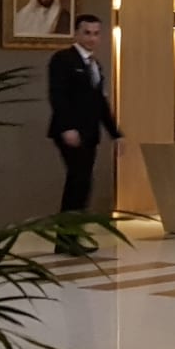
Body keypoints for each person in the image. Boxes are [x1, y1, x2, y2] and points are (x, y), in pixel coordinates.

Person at [47, 13, 121, 255]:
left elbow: (100, 103)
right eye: (87, 33)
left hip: (89, 134)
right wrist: (67, 127)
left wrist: (115, 133)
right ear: (77, 33)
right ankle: (67, 239)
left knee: (82, 184)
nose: (91, 38)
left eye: (96, 33)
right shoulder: (63, 59)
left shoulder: (95, 65)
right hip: (69, 133)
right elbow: (58, 96)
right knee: (77, 182)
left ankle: (68, 238)